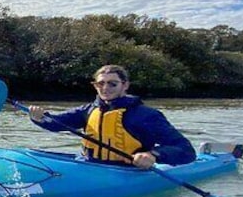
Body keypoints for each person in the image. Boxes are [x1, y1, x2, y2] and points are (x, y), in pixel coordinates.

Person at [26, 64, 196, 169]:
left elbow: (186, 150)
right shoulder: (88, 110)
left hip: (128, 171)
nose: (105, 88)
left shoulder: (147, 115)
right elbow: (57, 123)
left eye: (112, 83)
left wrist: (153, 155)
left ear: (125, 85)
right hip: (90, 166)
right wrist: (39, 117)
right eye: (100, 83)